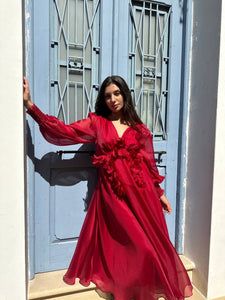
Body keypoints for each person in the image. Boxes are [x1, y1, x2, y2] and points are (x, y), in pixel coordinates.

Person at [23, 76, 193, 300]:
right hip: (113, 196)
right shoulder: (98, 123)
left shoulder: (140, 130)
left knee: (150, 249)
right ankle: (126, 290)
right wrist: (30, 106)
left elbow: (149, 165)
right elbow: (64, 131)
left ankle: (137, 292)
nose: (113, 99)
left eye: (117, 93)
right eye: (107, 96)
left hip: (142, 196)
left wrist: (159, 194)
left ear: (125, 95)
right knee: (139, 247)